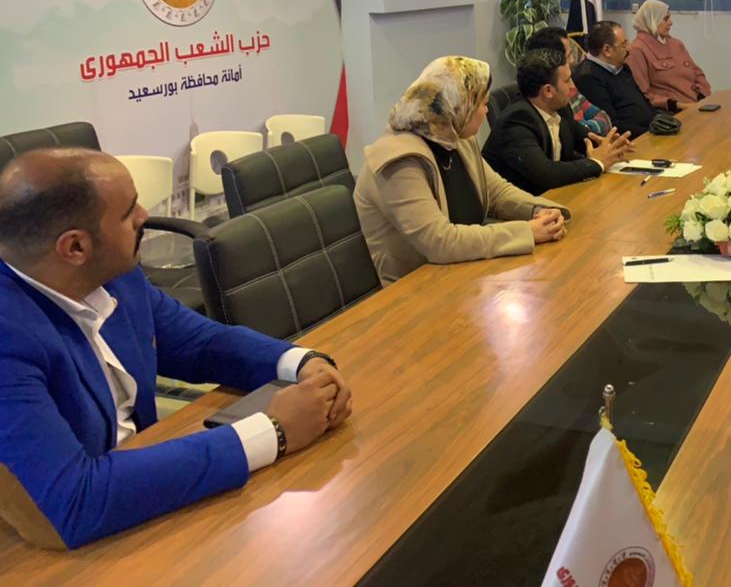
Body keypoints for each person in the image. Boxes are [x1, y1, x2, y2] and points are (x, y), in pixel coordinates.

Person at [0, 148, 352, 549]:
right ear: (75, 248)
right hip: (83, 546)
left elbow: (197, 342)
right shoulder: (9, 339)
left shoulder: (116, 275)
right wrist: (273, 432)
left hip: (150, 495)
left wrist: (300, 362)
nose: (144, 216)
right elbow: (74, 500)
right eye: (128, 212)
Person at [354, 56, 569, 284]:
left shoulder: (455, 137)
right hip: (416, 290)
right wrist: (527, 232)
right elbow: (440, 242)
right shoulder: (399, 160)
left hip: (464, 274)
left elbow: (496, 192)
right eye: (483, 104)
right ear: (458, 106)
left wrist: (541, 211)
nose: (486, 111)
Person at [483, 48, 635, 194]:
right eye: (567, 80)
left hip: (558, 197)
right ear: (548, 91)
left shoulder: (560, 107)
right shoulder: (517, 121)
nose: (572, 86)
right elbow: (547, 173)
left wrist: (608, 145)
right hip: (524, 205)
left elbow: (582, 137)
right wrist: (596, 163)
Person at [572, 21, 659, 138]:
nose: (629, 48)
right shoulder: (588, 77)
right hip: (632, 139)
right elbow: (611, 124)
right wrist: (650, 133)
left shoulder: (622, 67)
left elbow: (643, 102)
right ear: (607, 50)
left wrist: (659, 120)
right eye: (624, 45)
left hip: (650, 131)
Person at [525, 27, 613, 137]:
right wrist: (583, 130)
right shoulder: (549, 96)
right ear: (553, 60)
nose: (573, 60)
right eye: (569, 55)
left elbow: (604, 118)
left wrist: (584, 127)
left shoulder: (569, 84)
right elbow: (571, 132)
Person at [626, 0, 712, 112]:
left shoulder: (676, 44)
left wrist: (702, 96)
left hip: (697, 105)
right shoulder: (637, 50)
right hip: (671, 112)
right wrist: (678, 105)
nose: (671, 22)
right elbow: (643, 94)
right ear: (652, 20)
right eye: (666, 19)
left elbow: (697, 73)